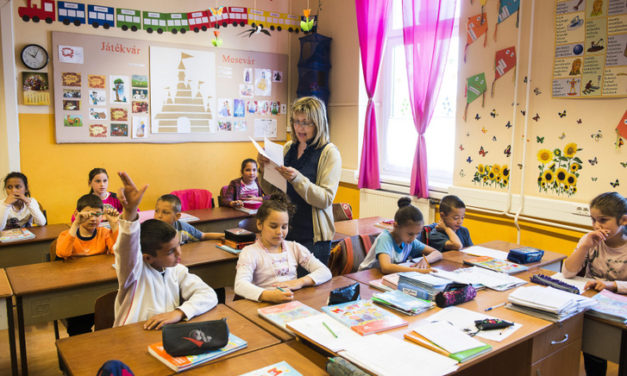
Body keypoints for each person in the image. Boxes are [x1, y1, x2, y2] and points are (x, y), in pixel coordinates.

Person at [113, 172, 218, 329]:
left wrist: (179, 312)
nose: (179, 254)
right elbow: (127, 249)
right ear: (148, 258)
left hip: (164, 335)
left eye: (178, 246)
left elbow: (209, 295)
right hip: (131, 336)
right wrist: (130, 213)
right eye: (170, 252)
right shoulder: (134, 272)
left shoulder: (177, 270)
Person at [258, 96, 341, 267]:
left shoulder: (329, 153)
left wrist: (297, 179)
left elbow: (325, 198)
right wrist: (263, 168)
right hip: (285, 232)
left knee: (308, 291)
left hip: (312, 237)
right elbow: (272, 191)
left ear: (318, 123)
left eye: (306, 122)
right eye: (296, 121)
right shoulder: (289, 147)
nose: (299, 128)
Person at [562, 192, 626, 376]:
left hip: (619, 307)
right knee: (594, 351)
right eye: (593, 219)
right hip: (593, 306)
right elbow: (568, 272)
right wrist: (584, 247)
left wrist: (611, 285)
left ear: (623, 220)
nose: (596, 225)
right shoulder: (590, 240)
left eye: (603, 220)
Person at [234, 192, 332, 302]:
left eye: (284, 227)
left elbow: (325, 272)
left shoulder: (294, 248)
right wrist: (268, 295)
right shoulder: (250, 252)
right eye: (273, 226)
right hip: (265, 304)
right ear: (259, 224)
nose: (279, 232)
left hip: (291, 303)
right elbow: (240, 285)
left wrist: (299, 282)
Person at [56, 194, 119, 336]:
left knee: (111, 320)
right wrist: (75, 224)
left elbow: (118, 251)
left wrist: (114, 224)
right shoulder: (66, 234)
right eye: (88, 215)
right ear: (77, 214)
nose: (93, 219)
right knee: (78, 328)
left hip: (100, 286)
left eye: (98, 214)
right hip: (77, 291)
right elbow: (62, 253)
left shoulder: (104, 233)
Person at [358, 197, 442, 274]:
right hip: (365, 278)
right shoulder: (385, 238)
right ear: (396, 226)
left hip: (386, 278)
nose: (413, 238)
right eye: (410, 234)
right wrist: (418, 271)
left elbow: (437, 253)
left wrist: (425, 260)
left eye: (417, 234)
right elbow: (386, 267)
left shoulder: (409, 241)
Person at [154, 194, 223, 244]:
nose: (159, 216)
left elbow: (203, 236)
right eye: (157, 211)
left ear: (177, 217)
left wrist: (226, 235)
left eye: (165, 212)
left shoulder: (183, 228)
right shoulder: (150, 229)